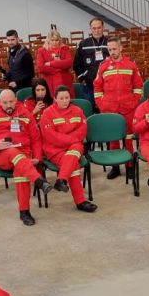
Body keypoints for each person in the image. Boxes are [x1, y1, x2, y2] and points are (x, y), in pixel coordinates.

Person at [0, 89, 53, 227]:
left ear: (16, 100)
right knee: (13, 152)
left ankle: (24, 212)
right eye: (5, 102)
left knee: (22, 168)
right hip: (1, 155)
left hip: (23, 155)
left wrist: (37, 157)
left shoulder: (25, 114)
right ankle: (38, 180)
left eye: (11, 101)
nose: (8, 105)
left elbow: (36, 138)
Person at [39, 85, 97, 213]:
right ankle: (80, 202)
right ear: (55, 99)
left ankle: (61, 180)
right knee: (73, 165)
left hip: (73, 147)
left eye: (67, 97)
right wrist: (72, 140)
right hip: (55, 150)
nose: (65, 100)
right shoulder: (47, 113)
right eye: (61, 98)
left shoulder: (77, 110)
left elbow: (82, 130)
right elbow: (51, 136)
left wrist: (71, 141)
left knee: (74, 153)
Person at [93, 36, 143, 180]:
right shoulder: (103, 66)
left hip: (128, 108)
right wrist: (102, 105)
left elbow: (138, 86)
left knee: (128, 139)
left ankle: (129, 166)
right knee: (113, 140)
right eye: (109, 50)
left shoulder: (130, 65)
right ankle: (115, 167)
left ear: (121, 48)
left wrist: (133, 102)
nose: (112, 52)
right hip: (109, 109)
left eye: (114, 49)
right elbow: (97, 87)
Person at [73, 17, 109, 108]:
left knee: (105, 109)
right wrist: (82, 79)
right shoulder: (83, 44)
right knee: (90, 109)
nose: (97, 31)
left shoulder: (110, 43)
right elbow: (76, 64)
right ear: (90, 29)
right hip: (88, 84)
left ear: (103, 28)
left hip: (107, 84)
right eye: (94, 28)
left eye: (99, 27)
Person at [35, 29, 74, 97]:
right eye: (52, 40)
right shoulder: (41, 51)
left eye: (56, 40)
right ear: (48, 41)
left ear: (60, 40)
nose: (54, 42)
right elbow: (41, 68)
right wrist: (60, 67)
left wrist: (51, 63)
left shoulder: (65, 48)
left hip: (64, 81)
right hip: (49, 82)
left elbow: (69, 63)